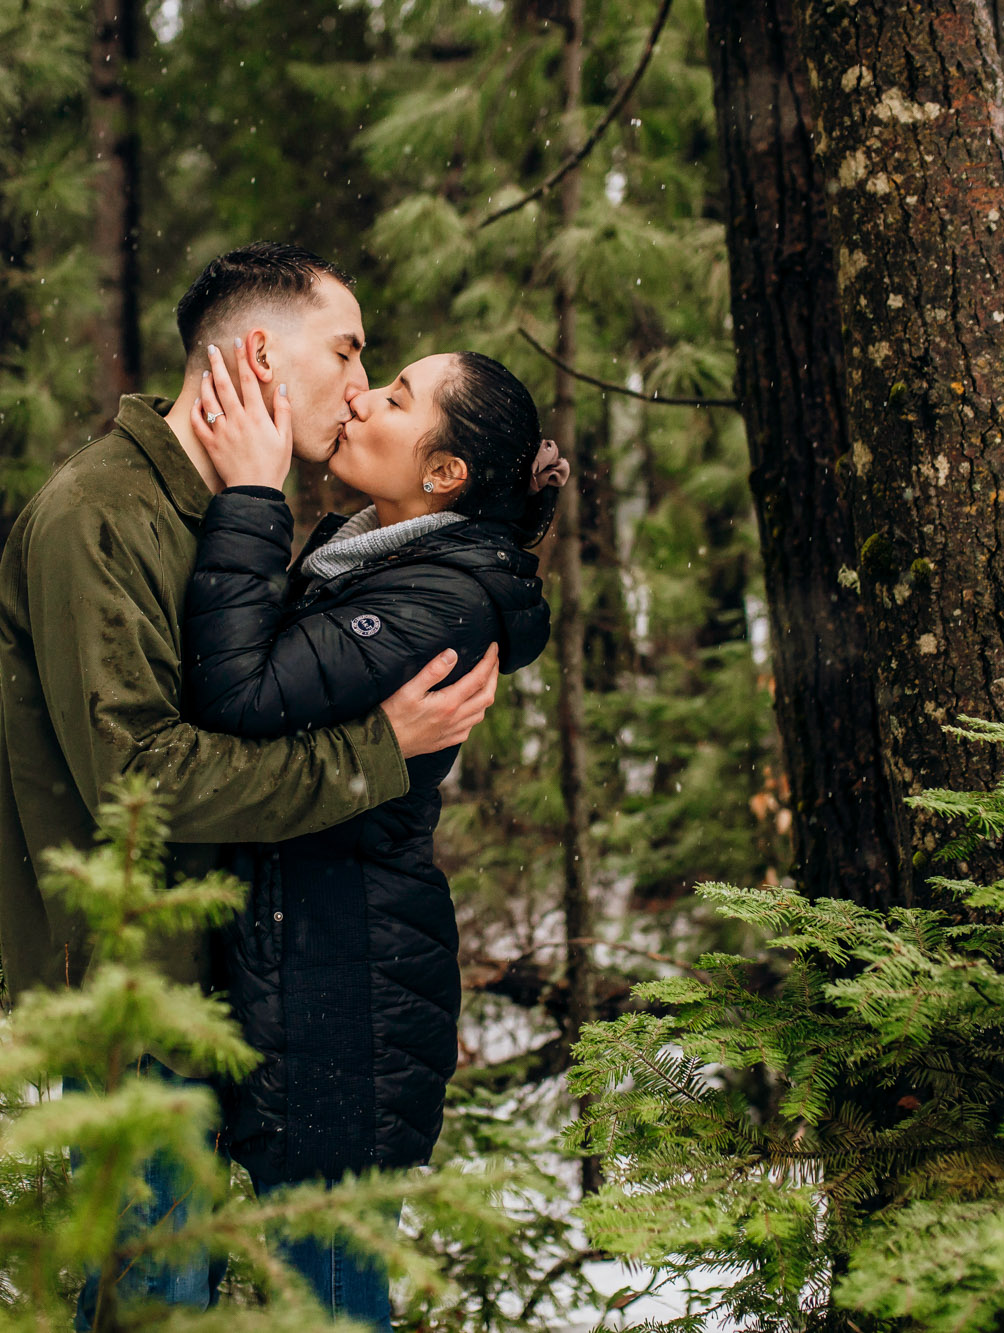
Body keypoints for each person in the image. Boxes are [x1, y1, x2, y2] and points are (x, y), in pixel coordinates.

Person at [0, 242, 503, 1330]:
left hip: (240, 991)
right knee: (156, 1303)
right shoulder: (96, 515)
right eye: (348, 352)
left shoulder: (235, 508)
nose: (361, 388)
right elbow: (142, 778)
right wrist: (376, 749)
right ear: (263, 354)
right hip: (132, 999)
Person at [183, 341, 563, 1329]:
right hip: (316, 959)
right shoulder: (371, 555)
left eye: (395, 397)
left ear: (442, 476)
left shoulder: (436, 597)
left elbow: (241, 691)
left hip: (346, 994)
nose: (360, 399)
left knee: (326, 1292)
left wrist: (251, 498)